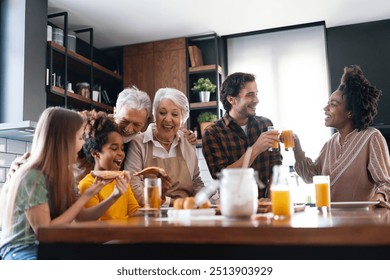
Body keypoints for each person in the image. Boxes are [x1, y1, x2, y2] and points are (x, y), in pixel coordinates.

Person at [0, 107, 109, 260]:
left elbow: (81, 216)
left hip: (50, 247)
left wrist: (115, 195)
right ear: (63, 141)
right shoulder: (32, 176)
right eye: (79, 138)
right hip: (22, 249)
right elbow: (45, 231)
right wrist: (85, 197)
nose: (83, 143)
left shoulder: (66, 175)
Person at [293, 65, 390, 205]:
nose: (325, 108)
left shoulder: (371, 138)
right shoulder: (330, 144)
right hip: (332, 221)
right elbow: (310, 176)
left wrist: (378, 198)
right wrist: (296, 146)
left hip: (361, 221)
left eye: (333, 104)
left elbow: (386, 183)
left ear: (350, 112)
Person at [202, 72, 282, 198]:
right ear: (231, 99)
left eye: (256, 94)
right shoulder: (212, 133)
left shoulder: (266, 124)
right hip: (233, 207)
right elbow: (222, 177)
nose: (256, 100)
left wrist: (270, 203)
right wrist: (255, 150)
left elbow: (276, 168)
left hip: (265, 205)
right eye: (250, 95)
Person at [125, 88, 205, 206]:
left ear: (182, 119)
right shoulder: (139, 143)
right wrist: (172, 203)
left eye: (175, 114)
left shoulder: (188, 141)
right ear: (154, 114)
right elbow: (134, 186)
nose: (168, 119)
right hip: (151, 213)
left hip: (185, 214)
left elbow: (195, 182)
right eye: (162, 113)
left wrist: (205, 199)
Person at [78, 112, 140, 220]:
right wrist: (115, 196)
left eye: (122, 148)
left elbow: (135, 212)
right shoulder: (87, 185)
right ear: (95, 153)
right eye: (114, 148)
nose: (121, 153)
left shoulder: (121, 181)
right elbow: (93, 227)